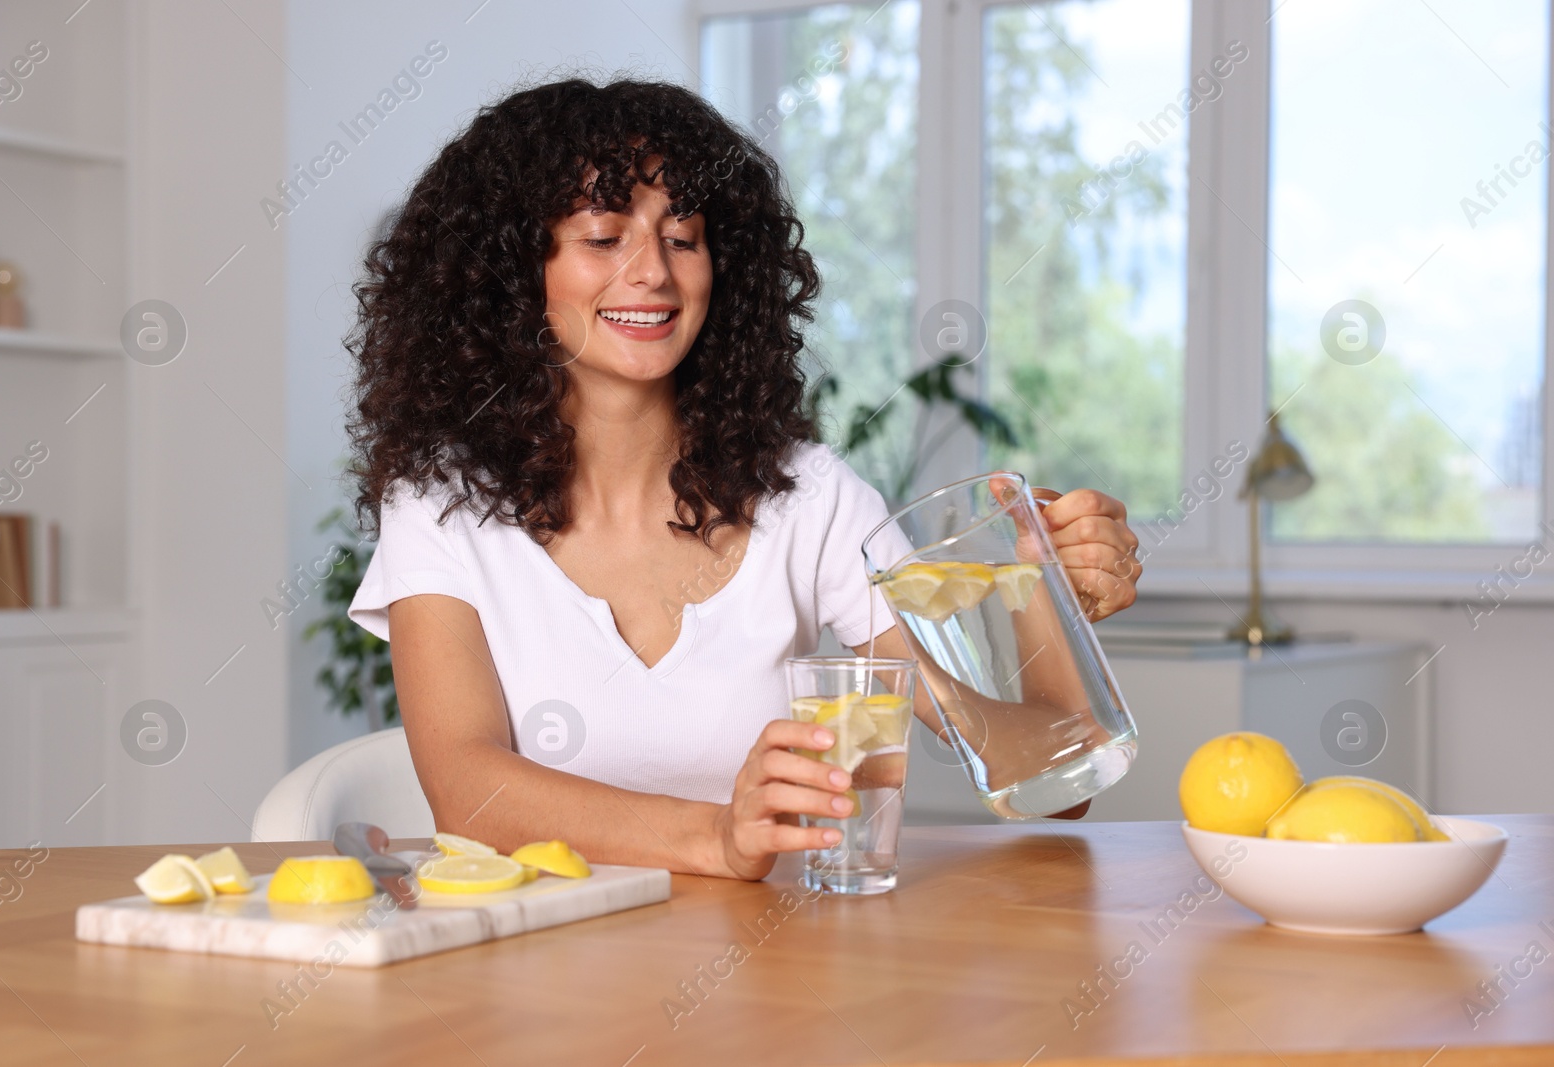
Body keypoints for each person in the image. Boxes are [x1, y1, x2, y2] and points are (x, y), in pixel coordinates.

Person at [344, 77, 1142, 882]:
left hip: (758, 983)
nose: (652, 271)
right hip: (525, 987)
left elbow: (1046, 783)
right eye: (602, 237)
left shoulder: (809, 497)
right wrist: (718, 835)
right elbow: (466, 792)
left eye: (683, 237)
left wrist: (1039, 581)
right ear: (514, 272)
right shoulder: (439, 504)